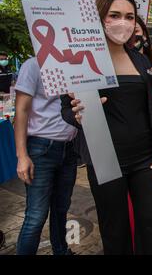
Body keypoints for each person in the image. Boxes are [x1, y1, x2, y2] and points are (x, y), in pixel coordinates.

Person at [62, 0, 152, 255]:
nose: (122, 22)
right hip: (105, 161)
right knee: (115, 230)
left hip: (147, 160)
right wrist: (77, 116)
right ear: (100, 17)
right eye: (114, 15)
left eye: (129, 16)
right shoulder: (80, 60)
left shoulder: (140, 59)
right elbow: (66, 109)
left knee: (150, 226)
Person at [14, 55, 78, 255]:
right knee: (36, 215)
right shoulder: (33, 65)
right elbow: (21, 110)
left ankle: (61, 250)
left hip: (69, 149)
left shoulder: (76, 64)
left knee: (61, 208)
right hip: (41, 149)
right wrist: (22, 155)